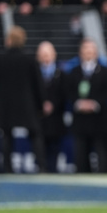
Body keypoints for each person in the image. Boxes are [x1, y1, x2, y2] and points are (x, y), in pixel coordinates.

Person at [0, 26, 47, 173]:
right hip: (27, 106)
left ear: (8, 40)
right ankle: (41, 166)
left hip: (6, 106)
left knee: (7, 137)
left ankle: (7, 168)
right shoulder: (30, 60)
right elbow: (38, 85)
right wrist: (41, 105)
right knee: (35, 135)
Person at [68, 38, 107, 173]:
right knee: (80, 151)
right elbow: (69, 91)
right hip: (80, 119)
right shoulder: (74, 71)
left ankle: (102, 174)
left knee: (100, 150)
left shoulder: (104, 71)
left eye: (91, 50)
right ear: (80, 52)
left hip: (98, 119)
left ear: (96, 53)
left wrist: (95, 104)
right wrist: (79, 103)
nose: (88, 52)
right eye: (85, 49)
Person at [36, 41, 67, 173]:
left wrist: (53, 104)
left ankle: (53, 170)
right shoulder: (35, 73)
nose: (46, 57)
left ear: (54, 55)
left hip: (56, 118)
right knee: (39, 147)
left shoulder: (61, 73)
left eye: (48, 53)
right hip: (39, 119)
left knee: (55, 149)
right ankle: (42, 169)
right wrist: (41, 105)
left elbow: (65, 94)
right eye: (43, 54)